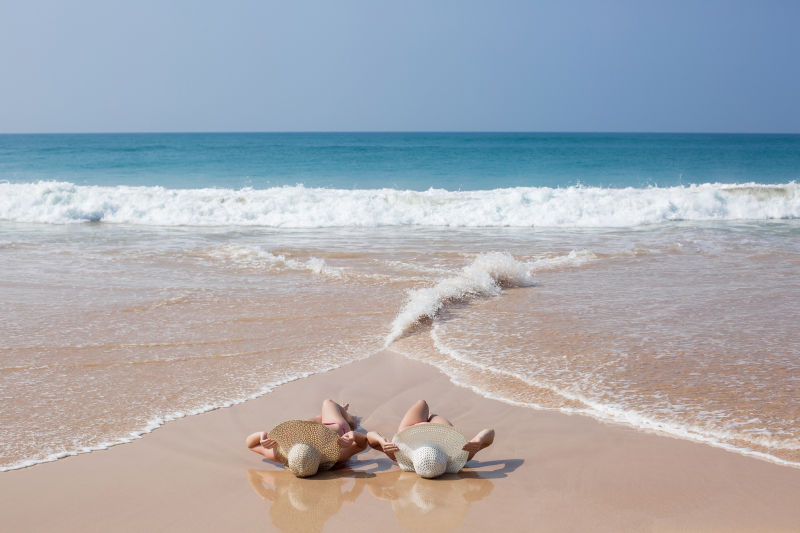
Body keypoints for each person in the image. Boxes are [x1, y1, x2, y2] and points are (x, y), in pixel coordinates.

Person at [366, 400, 494, 477]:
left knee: (422, 403)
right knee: (431, 414)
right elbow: (490, 433)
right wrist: (479, 440)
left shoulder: (399, 455)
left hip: (411, 429)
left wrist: (381, 442)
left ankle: (429, 415)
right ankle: (431, 416)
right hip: (441, 432)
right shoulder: (458, 456)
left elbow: (370, 437)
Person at [246, 399, 368, 475]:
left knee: (312, 420)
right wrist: (352, 436)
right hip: (337, 427)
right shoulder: (337, 455)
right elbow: (363, 443)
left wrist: (263, 436)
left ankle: (326, 415)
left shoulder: (279, 456)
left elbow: (250, 444)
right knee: (328, 403)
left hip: (321, 427)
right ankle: (346, 415)